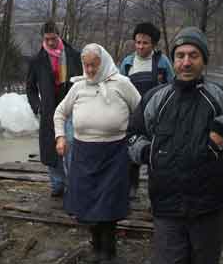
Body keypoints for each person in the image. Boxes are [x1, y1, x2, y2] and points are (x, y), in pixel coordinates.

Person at [127, 27, 223, 264]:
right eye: (180, 55)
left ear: (204, 60)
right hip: (166, 205)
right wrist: (147, 152)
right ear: (172, 60)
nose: (186, 62)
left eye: (193, 56)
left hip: (208, 206)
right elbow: (133, 135)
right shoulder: (156, 98)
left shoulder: (220, 96)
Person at [54, 44, 140, 263]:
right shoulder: (78, 87)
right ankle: (96, 246)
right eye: (87, 65)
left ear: (104, 62)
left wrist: (135, 139)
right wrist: (60, 137)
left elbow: (141, 111)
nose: (90, 70)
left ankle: (109, 251)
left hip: (114, 152)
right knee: (87, 202)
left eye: (94, 64)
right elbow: (60, 113)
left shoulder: (122, 84)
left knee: (109, 203)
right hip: (84, 153)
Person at [26, 20, 82, 197]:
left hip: (71, 107)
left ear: (59, 35)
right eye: (47, 38)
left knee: (71, 143)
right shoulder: (37, 60)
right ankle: (57, 184)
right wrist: (38, 106)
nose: (50, 42)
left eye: (54, 38)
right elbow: (30, 88)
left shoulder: (73, 55)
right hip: (49, 109)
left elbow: (83, 79)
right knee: (52, 148)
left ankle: (73, 183)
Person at [119, 22, 174, 198]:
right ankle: (131, 188)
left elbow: (172, 87)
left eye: (145, 43)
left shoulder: (162, 62)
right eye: (138, 42)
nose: (140, 46)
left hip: (157, 117)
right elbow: (119, 88)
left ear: (153, 44)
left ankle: (155, 192)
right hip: (134, 116)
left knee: (155, 155)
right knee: (131, 152)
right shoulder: (128, 63)